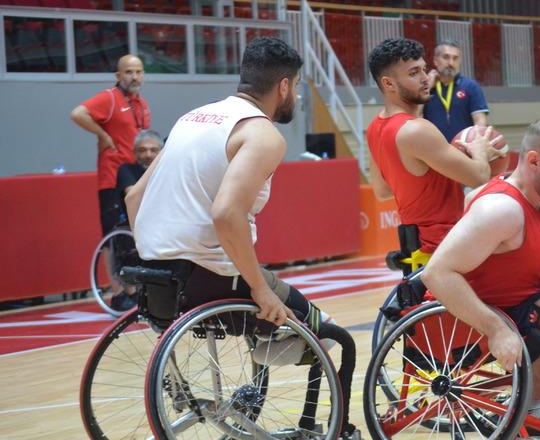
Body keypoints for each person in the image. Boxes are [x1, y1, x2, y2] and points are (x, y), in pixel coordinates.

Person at [126, 36, 342, 345]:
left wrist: (153, 256)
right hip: (207, 277)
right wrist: (260, 288)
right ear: (283, 87)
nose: (294, 94)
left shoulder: (190, 118)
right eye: (294, 86)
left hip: (154, 276)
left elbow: (134, 197)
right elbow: (227, 214)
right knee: (329, 336)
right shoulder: (262, 134)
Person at [422, 115, 540, 423]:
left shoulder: (537, 197)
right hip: (466, 321)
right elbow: (437, 273)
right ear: (535, 161)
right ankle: (532, 410)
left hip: (512, 306)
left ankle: (539, 399)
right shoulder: (501, 209)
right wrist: (495, 328)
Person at [366, 38, 502, 263]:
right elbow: (479, 176)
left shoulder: (374, 127)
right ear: (388, 84)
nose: (425, 78)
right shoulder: (417, 130)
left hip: (416, 246)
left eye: (424, 69)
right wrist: (479, 149)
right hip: (448, 245)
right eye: (413, 73)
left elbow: (382, 191)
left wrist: (429, 171)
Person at [71, 54, 151, 238]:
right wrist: (103, 135)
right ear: (118, 76)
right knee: (112, 235)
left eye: (138, 72)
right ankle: (111, 268)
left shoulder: (142, 103)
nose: (134, 77)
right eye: (129, 72)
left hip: (135, 175)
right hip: (113, 176)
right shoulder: (110, 98)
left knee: (137, 232)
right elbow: (77, 114)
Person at [107, 129, 163, 311]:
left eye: (153, 150)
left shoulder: (167, 169)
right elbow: (132, 194)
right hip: (133, 224)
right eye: (142, 150)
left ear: (161, 151)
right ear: (135, 152)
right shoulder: (127, 170)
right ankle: (130, 292)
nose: (148, 154)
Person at [423, 40, 490, 142]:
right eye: (446, 57)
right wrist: (427, 88)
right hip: (432, 150)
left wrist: (476, 146)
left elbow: (480, 121)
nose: (451, 63)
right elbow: (415, 117)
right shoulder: (425, 88)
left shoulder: (470, 86)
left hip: (463, 150)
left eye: (455, 58)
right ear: (435, 60)